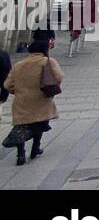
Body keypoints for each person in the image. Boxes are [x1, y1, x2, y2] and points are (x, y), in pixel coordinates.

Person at [3, 36, 63, 165]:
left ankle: (20, 156)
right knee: (38, 125)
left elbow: (7, 85)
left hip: (21, 101)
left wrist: (18, 91)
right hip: (41, 100)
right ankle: (35, 149)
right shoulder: (48, 61)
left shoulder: (19, 65)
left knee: (21, 127)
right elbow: (59, 77)